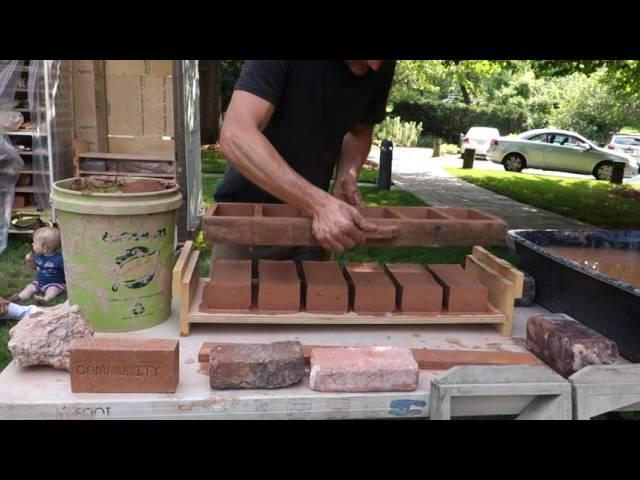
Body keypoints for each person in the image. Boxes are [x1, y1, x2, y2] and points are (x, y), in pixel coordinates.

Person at [214, 60, 396, 265]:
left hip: (315, 228)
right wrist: (319, 204)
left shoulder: (380, 65)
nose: (375, 67)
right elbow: (236, 135)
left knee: (317, 295)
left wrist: (347, 175)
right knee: (233, 295)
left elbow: (360, 131)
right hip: (247, 221)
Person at [9, 226, 66, 304]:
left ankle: (45, 299)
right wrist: (29, 262)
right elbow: (35, 268)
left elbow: (68, 272)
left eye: (35, 243)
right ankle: (19, 297)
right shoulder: (38, 256)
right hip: (39, 282)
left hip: (55, 283)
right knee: (29, 287)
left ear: (44, 248)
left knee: (53, 290)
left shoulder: (59, 259)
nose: (32, 244)